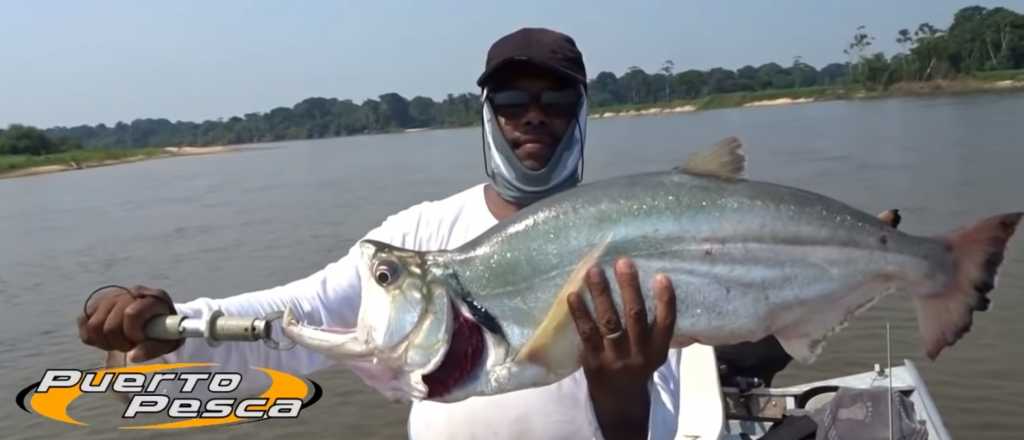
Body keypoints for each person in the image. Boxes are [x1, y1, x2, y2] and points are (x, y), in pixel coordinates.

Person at [78, 28, 788, 439]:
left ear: (580, 110)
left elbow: (646, 426)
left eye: (555, 98)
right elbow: (294, 320)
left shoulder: (631, 228)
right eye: (511, 99)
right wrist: (176, 326)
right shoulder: (416, 241)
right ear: (488, 110)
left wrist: (619, 388)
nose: (531, 115)